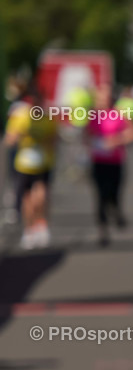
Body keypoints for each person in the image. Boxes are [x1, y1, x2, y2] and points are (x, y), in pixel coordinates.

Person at [3, 87, 58, 249]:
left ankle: (41, 224)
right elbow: (9, 140)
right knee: (27, 199)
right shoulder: (21, 117)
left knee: (40, 196)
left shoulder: (48, 118)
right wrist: (22, 134)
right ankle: (29, 230)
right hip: (24, 164)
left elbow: (54, 140)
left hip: (43, 162)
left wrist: (43, 139)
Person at [87, 85, 133, 246]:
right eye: (100, 98)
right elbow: (86, 135)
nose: (103, 101)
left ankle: (116, 210)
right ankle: (103, 230)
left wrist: (116, 140)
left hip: (115, 161)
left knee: (114, 193)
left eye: (106, 98)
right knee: (100, 196)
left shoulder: (118, 114)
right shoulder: (93, 115)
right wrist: (92, 143)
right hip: (98, 162)